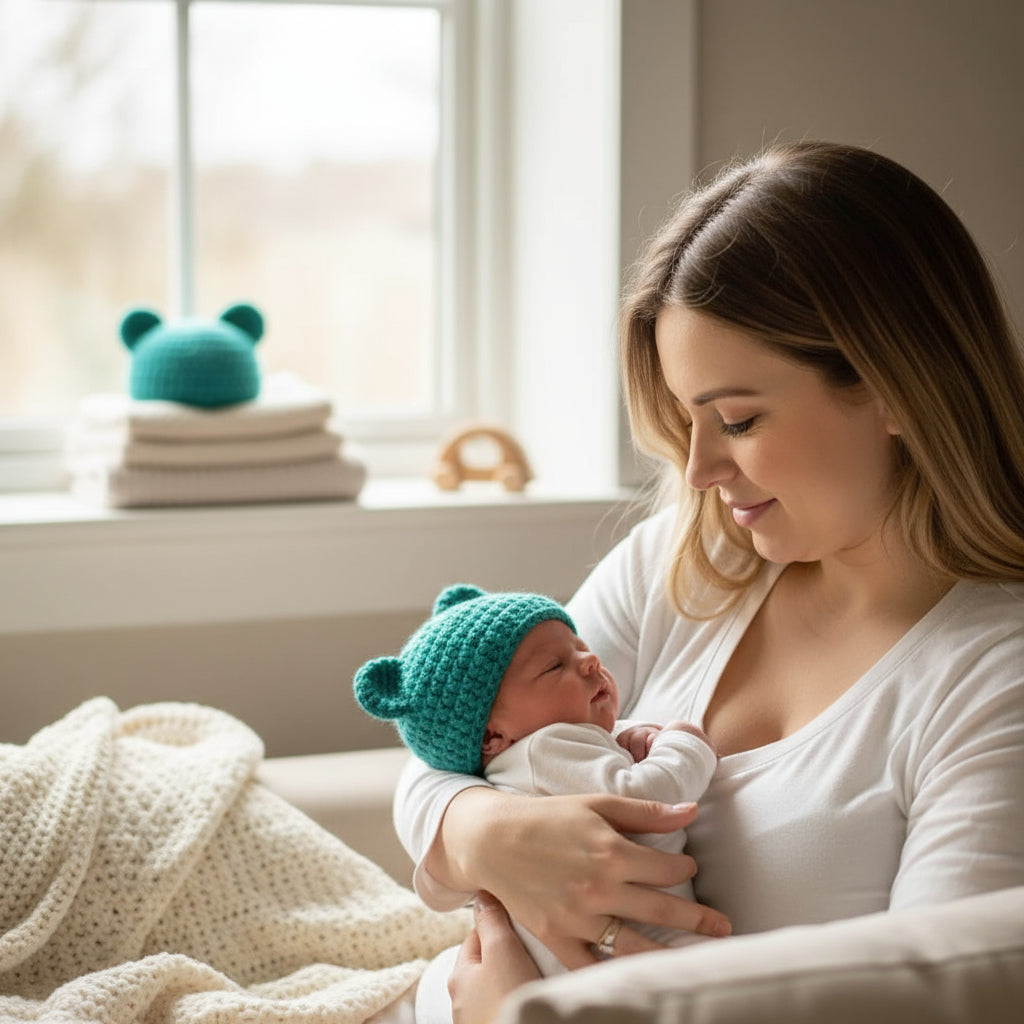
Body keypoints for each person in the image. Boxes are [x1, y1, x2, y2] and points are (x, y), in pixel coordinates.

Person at [391, 141, 1024, 1024]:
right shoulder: (690, 565)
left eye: (737, 419)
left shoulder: (993, 683)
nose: (696, 471)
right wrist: (482, 831)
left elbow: (954, 1002)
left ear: (896, 387)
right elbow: (444, 741)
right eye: (686, 420)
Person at [354, 583, 718, 1024]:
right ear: (492, 736)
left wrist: (625, 737)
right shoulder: (549, 747)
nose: (590, 660)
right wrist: (682, 741)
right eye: (554, 665)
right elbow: (653, 795)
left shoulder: (522, 760)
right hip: (621, 957)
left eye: (580, 647)